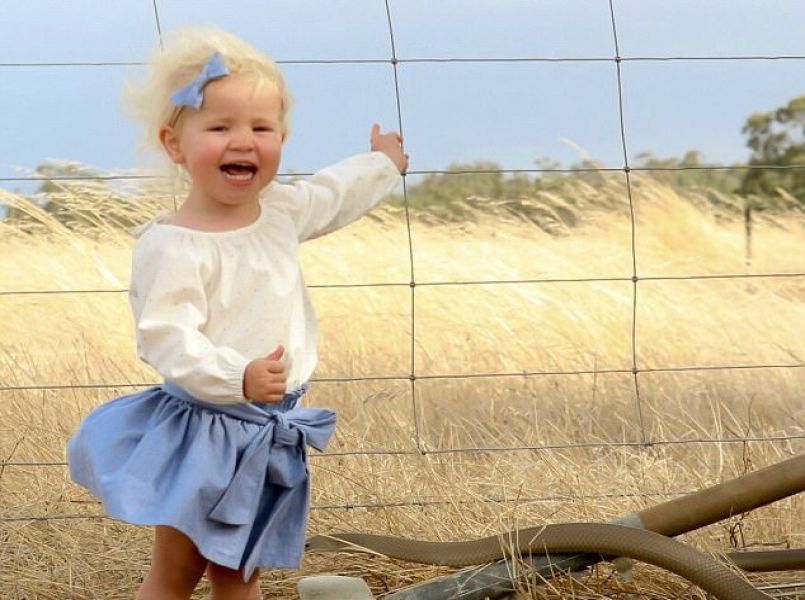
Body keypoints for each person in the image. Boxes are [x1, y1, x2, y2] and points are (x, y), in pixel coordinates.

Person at [67, 26, 408, 600]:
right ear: (175, 144)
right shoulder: (172, 246)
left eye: (261, 128)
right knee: (176, 573)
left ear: (282, 137)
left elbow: (331, 195)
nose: (243, 142)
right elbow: (166, 337)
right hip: (206, 430)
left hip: (266, 431)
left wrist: (381, 165)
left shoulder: (279, 212)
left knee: (239, 573)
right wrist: (237, 376)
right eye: (220, 127)